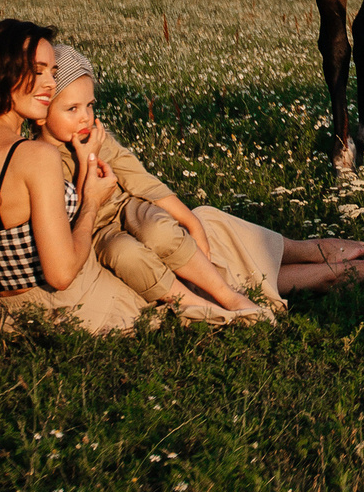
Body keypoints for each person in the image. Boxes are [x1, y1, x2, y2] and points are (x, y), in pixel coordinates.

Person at [0, 18, 364, 334]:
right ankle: (322, 269)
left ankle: (308, 258)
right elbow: (60, 271)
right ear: (4, 72)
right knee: (199, 243)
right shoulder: (34, 155)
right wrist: (91, 195)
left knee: (193, 229)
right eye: (38, 73)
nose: (46, 83)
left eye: (50, 73)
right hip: (77, 288)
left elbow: (133, 177)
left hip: (43, 289)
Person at [41, 44, 261, 319]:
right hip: (95, 228)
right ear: (42, 112)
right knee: (124, 254)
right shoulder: (42, 160)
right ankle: (194, 304)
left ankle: (227, 295)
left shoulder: (98, 137)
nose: (85, 117)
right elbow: (76, 211)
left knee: (157, 228)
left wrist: (193, 223)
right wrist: (88, 159)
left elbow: (140, 180)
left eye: (89, 105)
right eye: (71, 108)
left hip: (127, 206)